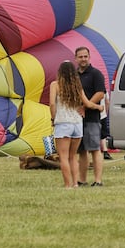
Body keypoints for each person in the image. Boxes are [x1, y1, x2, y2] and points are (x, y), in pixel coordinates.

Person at [49, 60, 85, 188]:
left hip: (63, 122)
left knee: (63, 157)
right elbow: (84, 103)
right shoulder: (77, 86)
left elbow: (52, 104)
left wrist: (53, 118)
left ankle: (67, 185)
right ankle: (75, 183)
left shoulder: (55, 85)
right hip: (77, 123)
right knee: (73, 156)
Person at [75, 45, 106, 186]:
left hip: (92, 119)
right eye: (80, 57)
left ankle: (98, 181)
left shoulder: (96, 74)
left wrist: (86, 106)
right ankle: (82, 180)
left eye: (85, 56)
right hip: (76, 119)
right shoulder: (74, 76)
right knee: (81, 151)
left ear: (89, 57)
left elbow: (100, 93)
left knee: (94, 149)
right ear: (76, 58)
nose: (83, 59)